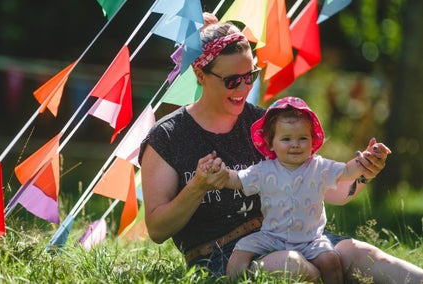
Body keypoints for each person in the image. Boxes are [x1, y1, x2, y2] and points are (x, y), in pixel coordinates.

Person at [138, 18, 423, 282]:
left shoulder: (267, 126)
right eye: (232, 81)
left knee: (365, 254)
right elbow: (158, 230)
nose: (244, 87)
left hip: (294, 237)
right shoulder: (168, 136)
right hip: (220, 255)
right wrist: (197, 187)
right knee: (294, 266)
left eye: (250, 76)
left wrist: (362, 174)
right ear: (200, 74)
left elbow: (318, 182)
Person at [199, 96, 390, 283]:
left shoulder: (319, 167)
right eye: (286, 139)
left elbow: (347, 171)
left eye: (302, 138)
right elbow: (238, 180)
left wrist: (366, 159)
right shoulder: (264, 170)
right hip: (271, 236)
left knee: (331, 261)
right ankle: (233, 280)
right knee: (240, 252)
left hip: (311, 238)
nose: (295, 145)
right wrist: (221, 173)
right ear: (270, 142)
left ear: (312, 140)